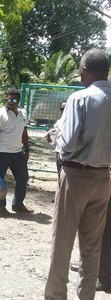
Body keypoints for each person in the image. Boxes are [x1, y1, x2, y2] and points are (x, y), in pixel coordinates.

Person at [44, 48, 111, 299]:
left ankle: (55, 296)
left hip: (76, 178)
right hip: (104, 179)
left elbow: (68, 143)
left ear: (84, 71)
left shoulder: (79, 99)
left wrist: (56, 136)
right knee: (92, 247)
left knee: (62, 243)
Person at [0, 87, 31, 215]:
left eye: (13, 99)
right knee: (0, 181)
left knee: (23, 178)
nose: (10, 102)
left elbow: (24, 132)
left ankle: (18, 204)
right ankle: (1, 206)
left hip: (18, 153)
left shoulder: (23, 113)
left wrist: (27, 149)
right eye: (7, 99)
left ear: (18, 100)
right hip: (3, 153)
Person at [44, 101, 66, 177]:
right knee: (60, 174)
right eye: (62, 108)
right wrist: (50, 136)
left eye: (66, 107)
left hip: (70, 152)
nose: (64, 110)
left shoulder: (76, 121)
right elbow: (53, 141)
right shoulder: (58, 122)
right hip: (59, 151)